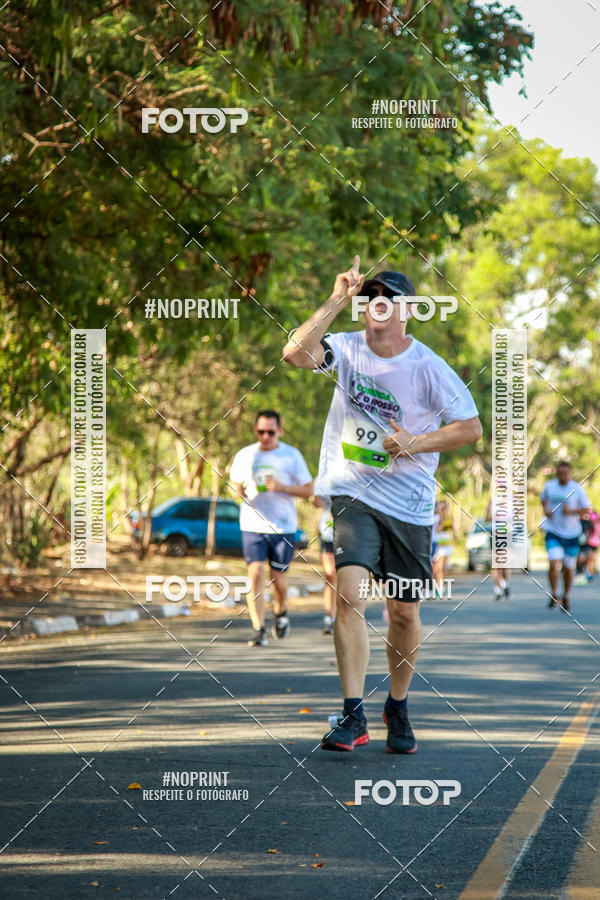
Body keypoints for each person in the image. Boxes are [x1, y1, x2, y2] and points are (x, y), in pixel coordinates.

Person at [283, 255, 482, 753]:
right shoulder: (346, 348)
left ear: (408, 310)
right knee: (348, 596)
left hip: (411, 506)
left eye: (389, 298)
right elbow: (294, 354)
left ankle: (397, 703)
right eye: (370, 296)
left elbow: (470, 429)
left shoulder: (428, 366)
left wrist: (416, 442)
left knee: (404, 614)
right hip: (354, 492)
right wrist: (335, 300)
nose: (378, 303)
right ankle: (353, 714)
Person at [229, 410, 313, 646]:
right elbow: (234, 484)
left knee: (278, 580)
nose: (265, 436)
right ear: (255, 431)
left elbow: (308, 490)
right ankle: (258, 629)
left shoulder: (291, 456)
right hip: (252, 524)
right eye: (261, 431)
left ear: (280, 431)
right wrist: (237, 492)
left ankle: (281, 611)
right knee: (255, 574)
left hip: (282, 527)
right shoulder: (245, 455)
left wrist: (282, 487)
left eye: (271, 432)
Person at [540, 461, 590, 612]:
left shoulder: (577, 489)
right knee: (553, 562)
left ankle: (566, 596)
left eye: (565, 474)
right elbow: (543, 499)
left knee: (568, 568)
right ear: (557, 473)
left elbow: (587, 510)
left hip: (572, 535)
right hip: (553, 532)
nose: (562, 476)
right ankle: (554, 594)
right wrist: (546, 510)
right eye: (560, 473)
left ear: (570, 473)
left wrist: (572, 512)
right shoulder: (550, 486)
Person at [314, 496, 336, 634]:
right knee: (331, 575)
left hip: (352, 533)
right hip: (328, 533)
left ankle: (348, 615)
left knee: (347, 577)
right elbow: (316, 501)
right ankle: (330, 617)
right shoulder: (325, 475)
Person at [485, 497, 510, 601]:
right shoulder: (492, 501)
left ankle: (505, 584)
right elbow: (486, 519)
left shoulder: (511, 501)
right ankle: (497, 589)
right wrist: (492, 514)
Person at [432, 499, 454, 596]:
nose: (442, 509)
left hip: (445, 546)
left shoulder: (447, 518)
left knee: (440, 567)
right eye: (440, 507)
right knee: (436, 569)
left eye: (443, 507)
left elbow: (440, 529)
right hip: (436, 546)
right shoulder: (434, 517)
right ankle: (439, 586)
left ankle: (441, 588)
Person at [575, 509, 599, 584]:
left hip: (590, 544)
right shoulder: (577, 522)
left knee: (590, 559)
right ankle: (581, 572)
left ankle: (590, 574)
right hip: (580, 544)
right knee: (581, 559)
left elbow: (593, 532)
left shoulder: (589, 523)